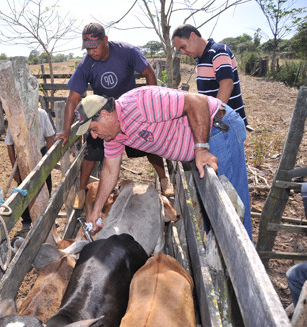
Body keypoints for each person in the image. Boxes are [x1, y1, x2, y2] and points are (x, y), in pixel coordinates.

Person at [74, 86, 252, 241]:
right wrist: (96, 211)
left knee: (232, 211)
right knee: (212, 210)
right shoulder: (113, 136)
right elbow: (110, 171)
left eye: (93, 129)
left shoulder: (138, 103)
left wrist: (201, 148)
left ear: (104, 115)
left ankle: (245, 274)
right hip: (203, 143)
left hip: (217, 130)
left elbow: (196, 101)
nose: (95, 136)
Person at [56, 22, 174, 210]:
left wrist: (151, 103)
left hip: (130, 112)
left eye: (95, 46)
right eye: (87, 48)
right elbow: (73, 99)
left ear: (105, 40)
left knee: (148, 143)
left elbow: (149, 73)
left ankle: (164, 179)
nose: (92, 52)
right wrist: (65, 130)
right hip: (103, 117)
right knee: (92, 150)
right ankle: (80, 189)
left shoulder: (127, 52)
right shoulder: (86, 65)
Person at [171, 24, 254, 132]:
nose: (182, 52)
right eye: (179, 50)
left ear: (193, 36)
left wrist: (214, 119)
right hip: (219, 123)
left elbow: (227, 84)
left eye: (183, 47)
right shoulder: (201, 59)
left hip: (227, 124)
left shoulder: (218, 51)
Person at [6, 108, 55, 234]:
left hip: (40, 152)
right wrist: (15, 169)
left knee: (45, 185)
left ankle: (46, 217)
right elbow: (9, 144)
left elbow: (49, 137)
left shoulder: (41, 114)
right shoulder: (14, 115)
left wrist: (49, 159)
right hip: (23, 154)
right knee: (24, 189)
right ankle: (26, 221)